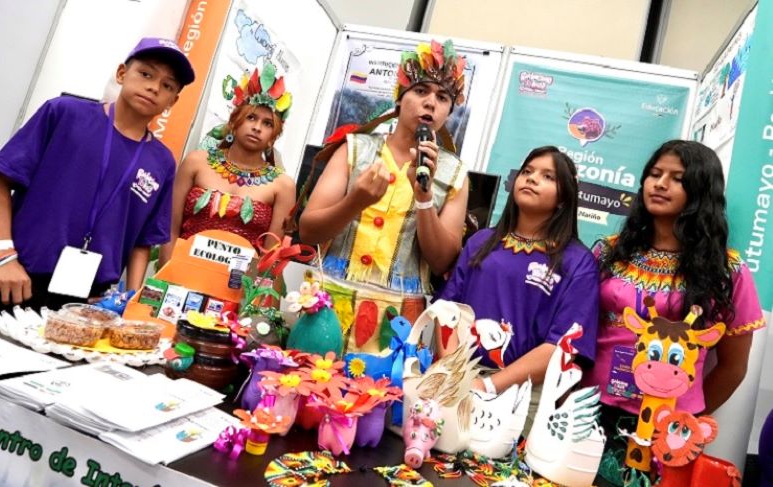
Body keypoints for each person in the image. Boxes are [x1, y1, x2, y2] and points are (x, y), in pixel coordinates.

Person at [584, 140, 765, 486]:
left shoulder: (727, 271)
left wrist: (684, 421)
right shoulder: (608, 252)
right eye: (654, 174)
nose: (660, 184)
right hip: (592, 411)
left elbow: (732, 367)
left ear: (701, 190)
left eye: (677, 178)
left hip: (670, 429)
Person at [299, 40, 470, 354]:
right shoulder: (354, 149)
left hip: (398, 324)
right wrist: (355, 202)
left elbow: (443, 260)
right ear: (400, 98)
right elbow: (308, 231)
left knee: (379, 400)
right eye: (421, 91)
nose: (431, 103)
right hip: (327, 308)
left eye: (443, 97)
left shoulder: (454, 173)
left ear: (449, 111)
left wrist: (424, 198)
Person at [0, 37, 195, 310]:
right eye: (146, 74)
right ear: (122, 73)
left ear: (172, 101)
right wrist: (4, 255)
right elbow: (2, 178)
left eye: (167, 85)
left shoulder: (162, 161)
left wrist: (130, 301)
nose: (153, 87)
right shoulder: (64, 114)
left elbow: (143, 241)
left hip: (91, 300)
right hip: (16, 276)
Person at [436, 146, 599, 430]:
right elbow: (447, 311)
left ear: (564, 199)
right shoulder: (480, 243)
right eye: (527, 171)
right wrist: (452, 373)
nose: (532, 179)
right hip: (457, 379)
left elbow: (562, 346)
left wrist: (487, 385)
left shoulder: (578, 262)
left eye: (548, 176)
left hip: (524, 392)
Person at [159, 62, 295, 266]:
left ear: (273, 137)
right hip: (180, 281)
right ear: (234, 122)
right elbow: (169, 229)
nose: (257, 127)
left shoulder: (282, 185)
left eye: (267, 123)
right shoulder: (196, 162)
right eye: (251, 117)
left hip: (236, 292)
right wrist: (165, 278)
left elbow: (270, 258)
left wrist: (250, 297)